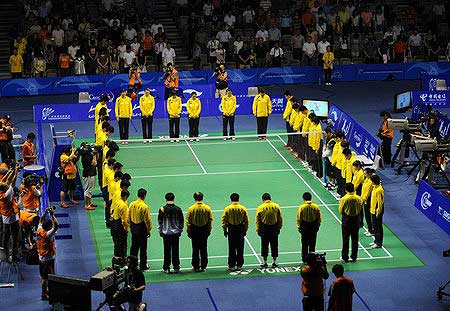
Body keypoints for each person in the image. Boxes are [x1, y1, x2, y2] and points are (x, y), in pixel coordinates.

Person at [186, 192, 213, 272]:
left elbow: (188, 221)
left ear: (194, 198)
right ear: (202, 197)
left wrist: (188, 231)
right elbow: (210, 220)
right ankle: (204, 266)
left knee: (195, 249)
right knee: (204, 248)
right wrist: (209, 230)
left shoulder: (191, 208)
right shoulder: (207, 208)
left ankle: (196, 266)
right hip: (204, 229)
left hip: (194, 230)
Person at [222, 193, 249, 272]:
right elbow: (246, 221)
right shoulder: (243, 208)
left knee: (231, 248)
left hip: (231, 229)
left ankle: (232, 265)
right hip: (240, 229)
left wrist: (224, 230)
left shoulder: (227, 209)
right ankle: (239, 265)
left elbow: (224, 220)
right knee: (240, 248)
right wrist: (245, 230)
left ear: (231, 199)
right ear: (238, 199)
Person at [158, 192, 184, 274]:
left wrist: (160, 231)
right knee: (176, 251)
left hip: (166, 234)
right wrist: (180, 230)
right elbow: (181, 222)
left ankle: (166, 268)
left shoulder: (162, 209)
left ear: (166, 199)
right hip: (175, 233)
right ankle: (176, 267)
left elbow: (160, 222)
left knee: (167, 251)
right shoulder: (178, 209)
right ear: (173, 199)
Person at [36, 208, 59, 300]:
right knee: (45, 278)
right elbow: (56, 225)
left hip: (41, 258)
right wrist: (52, 215)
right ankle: (44, 294)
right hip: (47, 259)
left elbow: (41, 220)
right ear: (49, 227)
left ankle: (46, 291)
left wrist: (45, 213)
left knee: (43, 277)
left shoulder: (39, 229)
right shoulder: (48, 234)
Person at [255, 193, 283, 268]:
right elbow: (280, 218)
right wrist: (279, 227)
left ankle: (265, 262)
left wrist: (258, 229)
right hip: (274, 228)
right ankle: (275, 262)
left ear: (263, 200)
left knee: (264, 245)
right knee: (274, 245)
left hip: (264, 228)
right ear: (270, 199)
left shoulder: (260, 207)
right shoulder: (276, 206)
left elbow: (258, 220)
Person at [129, 188, 152, 271]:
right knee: (143, 248)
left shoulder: (131, 204)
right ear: (144, 196)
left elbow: (129, 215)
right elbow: (147, 220)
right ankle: (143, 266)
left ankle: (132, 264)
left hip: (134, 227)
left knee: (134, 247)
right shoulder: (145, 207)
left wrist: (130, 226)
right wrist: (149, 230)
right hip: (142, 228)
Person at [0, 165, 20, 262]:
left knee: (5, 237)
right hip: (12, 217)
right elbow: (13, 180)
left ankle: (5, 256)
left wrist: (10, 172)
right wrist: (15, 171)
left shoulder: (1, 191)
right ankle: (14, 256)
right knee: (14, 237)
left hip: (5, 217)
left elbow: (4, 181)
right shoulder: (8, 194)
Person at [338, 183, 362, 262]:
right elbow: (360, 208)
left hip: (347, 220)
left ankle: (345, 257)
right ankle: (354, 257)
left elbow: (341, 210)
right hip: (356, 219)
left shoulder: (344, 198)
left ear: (346, 190)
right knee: (355, 239)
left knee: (345, 239)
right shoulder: (358, 198)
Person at [297, 192, 322, 263]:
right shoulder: (316, 207)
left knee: (304, 244)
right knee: (312, 243)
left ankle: (305, 259)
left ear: (303, 198)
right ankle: (312, 259)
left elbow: (299, 218)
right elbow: (319, 218)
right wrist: (317, 226)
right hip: (313, 226)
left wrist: (299, 227)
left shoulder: (302, 207)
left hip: (305, 226)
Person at [111, 189, 130, 259]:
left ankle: (116, 256)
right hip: (120, 226)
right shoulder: (124, 205)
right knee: (123, 243)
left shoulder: (117, 201)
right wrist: (126, 228)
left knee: (117, 243)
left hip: (114, 223)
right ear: (125, 196)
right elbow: (124, 220)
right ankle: (123, 258)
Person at [81, 144, 97, 210]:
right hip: (88, 175)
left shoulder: (87, 155)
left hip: (91, 173)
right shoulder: (86, 157)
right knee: (88, 190)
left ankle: (89, 203)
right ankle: (86, 205)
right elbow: (94, 163)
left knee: (90, 190)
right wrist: (94, 155)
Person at [370, 175, 384, 249]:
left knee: (378, 227)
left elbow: (380, 203)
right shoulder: (375, 187)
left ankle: (379, 243)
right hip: (373, 210)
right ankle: (376, 240)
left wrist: (378, 212)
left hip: (377, 211)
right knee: (375, 227)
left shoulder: (379, 190)